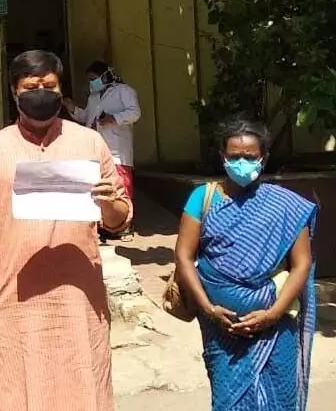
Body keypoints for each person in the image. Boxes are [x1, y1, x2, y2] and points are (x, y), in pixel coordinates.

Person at [0, 50, 132, 411]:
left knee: (83, 390)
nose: (41, 92)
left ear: (61, 90)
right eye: (32, 86)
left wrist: (109, 202)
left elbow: (119, 219)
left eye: (50, 85)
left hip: (79, 302)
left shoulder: (89, 143)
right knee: (18, 390)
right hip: (17, 300)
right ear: (14, 92)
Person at [174, 119, 316, 411]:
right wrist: (209, 309)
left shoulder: (286, 206)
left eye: (250, 157)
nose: (242, 162)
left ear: (263, 158)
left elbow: (302, 264)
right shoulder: (203, 198)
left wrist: (273, 314)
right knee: (228, 401)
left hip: (277, 327)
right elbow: (184, 257)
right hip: (221, 329)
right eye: (234, 156)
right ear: (222, 157)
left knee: (281, 398)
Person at [64, 60, 141, 240]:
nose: (91, 83)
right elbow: (87, 118)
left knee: (121, 185)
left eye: (94, 78)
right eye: (89, 80)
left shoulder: (124, 91)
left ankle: (124, 225)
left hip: (117, 148)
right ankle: (104, 225)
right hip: (97, 149)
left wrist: (114, 118)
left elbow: (134, 112)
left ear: (105, 75)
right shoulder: (94, 97)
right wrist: (72, 108)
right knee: (100, 188)